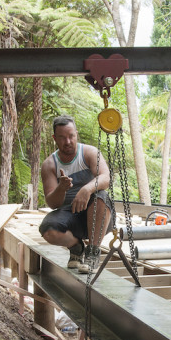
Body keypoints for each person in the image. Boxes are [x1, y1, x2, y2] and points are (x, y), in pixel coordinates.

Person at [38, 115, 113, 274]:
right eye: (62, 137)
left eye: (71, 136)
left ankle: (93, 252)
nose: (68, 141)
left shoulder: (90, 153)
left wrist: (86, 189)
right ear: (54, 138)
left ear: (76, 134)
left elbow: (106, 178)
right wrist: (62, 188)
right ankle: (76, 247)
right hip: (70, 215)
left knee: (102, 196)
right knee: (47, 230)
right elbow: (53, 203)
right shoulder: (49, 164)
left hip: (97, 216)